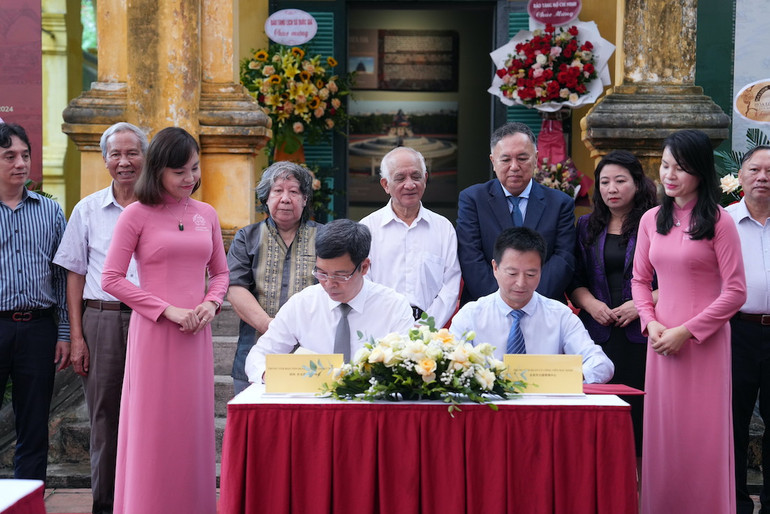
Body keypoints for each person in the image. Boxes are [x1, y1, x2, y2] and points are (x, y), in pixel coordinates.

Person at [102, 127, 228, 514]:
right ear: (157, 170)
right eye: (180, 172)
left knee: (190, 429)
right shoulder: (135, 215)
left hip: (196, 338)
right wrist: (164, 309)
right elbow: (112, 278)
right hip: (155, 336)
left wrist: (211, 304)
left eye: (194, 169)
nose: (190, 178)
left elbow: (221, 274)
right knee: (153, 429)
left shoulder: (207, 213)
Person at [631, 129, 747, 513]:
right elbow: (640, 281)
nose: (669, 175)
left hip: (705, 344)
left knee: (703, 435)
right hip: (661, 343)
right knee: (664, 435)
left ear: (700, 171)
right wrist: (650, 322)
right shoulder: (651, 219)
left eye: (680, 168)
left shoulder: (719, 221)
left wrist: (689, 330)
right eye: (665, 166)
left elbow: (735, 291)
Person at [52, 122, 147, 513]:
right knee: (104, 417)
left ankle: (144, 500)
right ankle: (106, 506)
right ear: (105, 159)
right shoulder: (87, 209)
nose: (124, 162)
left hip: (150, 320)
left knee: (148, 414)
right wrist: (76, 336)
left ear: (146, 156)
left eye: (132, 153)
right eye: (115, 154)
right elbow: (74, 274)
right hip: (102, 319)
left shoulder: (162, 207)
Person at [244, 218, 414, 383]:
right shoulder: (303, 304)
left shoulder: (393, 306)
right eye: (322, 273)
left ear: (364, 267)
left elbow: (407, 365)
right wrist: (273, 376)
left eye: (340, 275)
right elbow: (259, 356)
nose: (329, 283)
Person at [569, 150, 657, 456]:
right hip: (597, 333)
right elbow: (575, 278)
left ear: (637, 183)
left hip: (644, 333)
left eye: (620, 180)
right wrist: (591, 304)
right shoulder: (586, 226)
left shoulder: (657, 222)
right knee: (597, 416)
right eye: (604, 182)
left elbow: (677, 282)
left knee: (641, 418)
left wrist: (640, 304)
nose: (611, 189)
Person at [450, 227, 613, 384]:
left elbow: (602, 365)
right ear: (495, 268)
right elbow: (449, 365)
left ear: (541, 270)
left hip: (544, 408)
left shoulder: (560, 315)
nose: (521, 283)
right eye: (512, 273)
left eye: (530, 274)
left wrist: (559, 378)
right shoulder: (471, 315)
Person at [0, 122, 70, 480]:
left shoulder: (50, 212)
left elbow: (62, 276)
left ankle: (28, 501)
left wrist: (64, 332)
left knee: (33, 423)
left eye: (25, 155)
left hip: (38, 328)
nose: (20, 163)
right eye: (9, 156)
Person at [227, 161, 321, 396]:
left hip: (312, 352)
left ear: (305, 199)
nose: (286, 198)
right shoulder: (246, 237)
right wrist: (273, 328)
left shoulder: (325, 237)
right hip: (256, 349)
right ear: (266, 198)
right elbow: (236, 288)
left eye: (294, 191)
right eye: (278, 190)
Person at [456, 122, 576, 305]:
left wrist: (530, 301)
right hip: (484, 309)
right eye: (505, 160)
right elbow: (470, 257)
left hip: (543, 308)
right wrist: (501, 303)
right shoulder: (473, 199)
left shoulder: (560, 203)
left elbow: (563, 258)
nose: (514, 167)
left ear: (536, 158)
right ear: (493, 161)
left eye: (522, 158)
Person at [360, 147, 461, 326]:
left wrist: (427, 326)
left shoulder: (443, 228)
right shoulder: (367, 228)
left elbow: (451, 286)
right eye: (400, 178)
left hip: (430, 335)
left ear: (426, 178)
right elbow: (362, 282)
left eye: (416, 176)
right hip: (381, 330)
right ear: (385, 184)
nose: (410, 185)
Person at [726, 145, 770, 514]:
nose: (763, 177)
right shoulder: (721, 222)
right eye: (755, 169)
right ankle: (737, 503)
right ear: (740, 176)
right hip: (736, 331)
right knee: (733, 422)